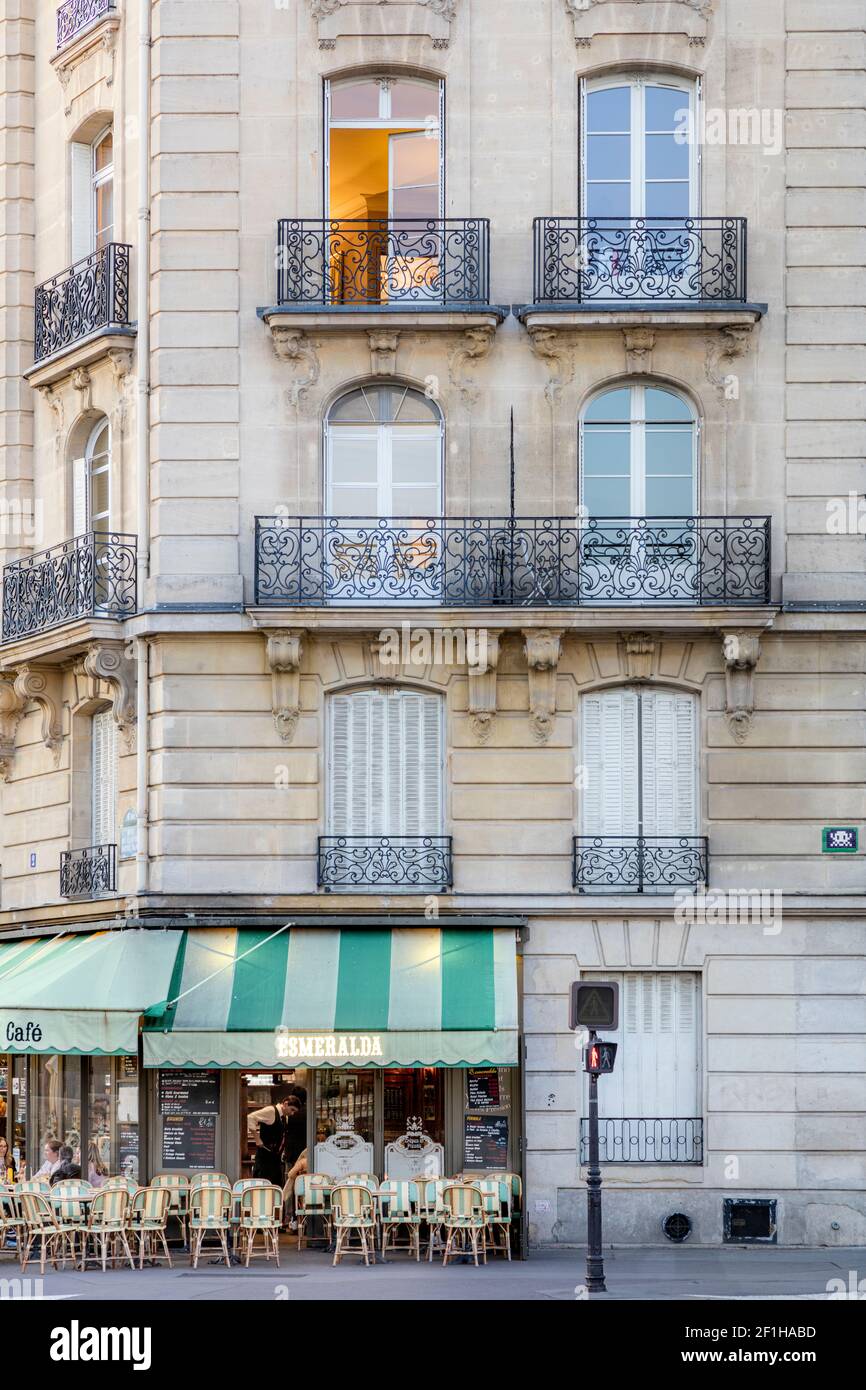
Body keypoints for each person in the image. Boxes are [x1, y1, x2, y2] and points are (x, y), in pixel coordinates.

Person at [247, 1095, 291, 1185]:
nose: (292, 1113)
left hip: (275, 1159)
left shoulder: (284, 1117)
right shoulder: (271, 1111)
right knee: (263, 1187)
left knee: (275, 1189)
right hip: (265, 1158)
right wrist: (257, 1138)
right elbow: (250, 1117)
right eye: (292, 1109)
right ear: (286, 1104)